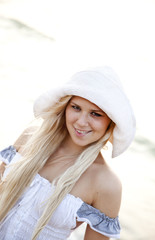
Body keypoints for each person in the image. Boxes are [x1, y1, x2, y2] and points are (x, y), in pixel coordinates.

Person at [0, 66, 136, 240]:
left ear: (111, 121)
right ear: (65, 107)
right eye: (76, 107)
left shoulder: (106, 184)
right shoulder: (29, 138)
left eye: (95, 114)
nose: (81, 122)